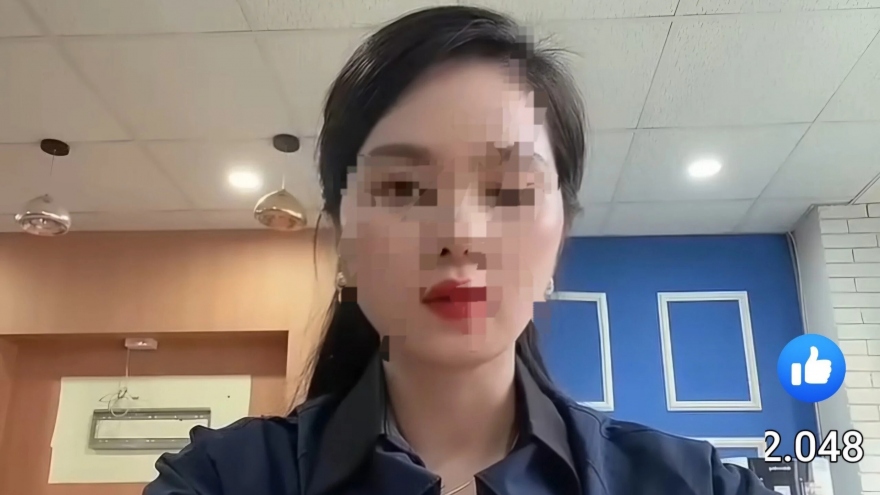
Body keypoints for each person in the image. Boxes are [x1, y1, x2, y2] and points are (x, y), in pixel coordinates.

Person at [144, 6, 775, 495]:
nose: (460, 233)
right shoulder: (221, 480)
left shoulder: (696, 484)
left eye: (510, 191)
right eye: (402, 189)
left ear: (559, 235)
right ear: (345, 241)